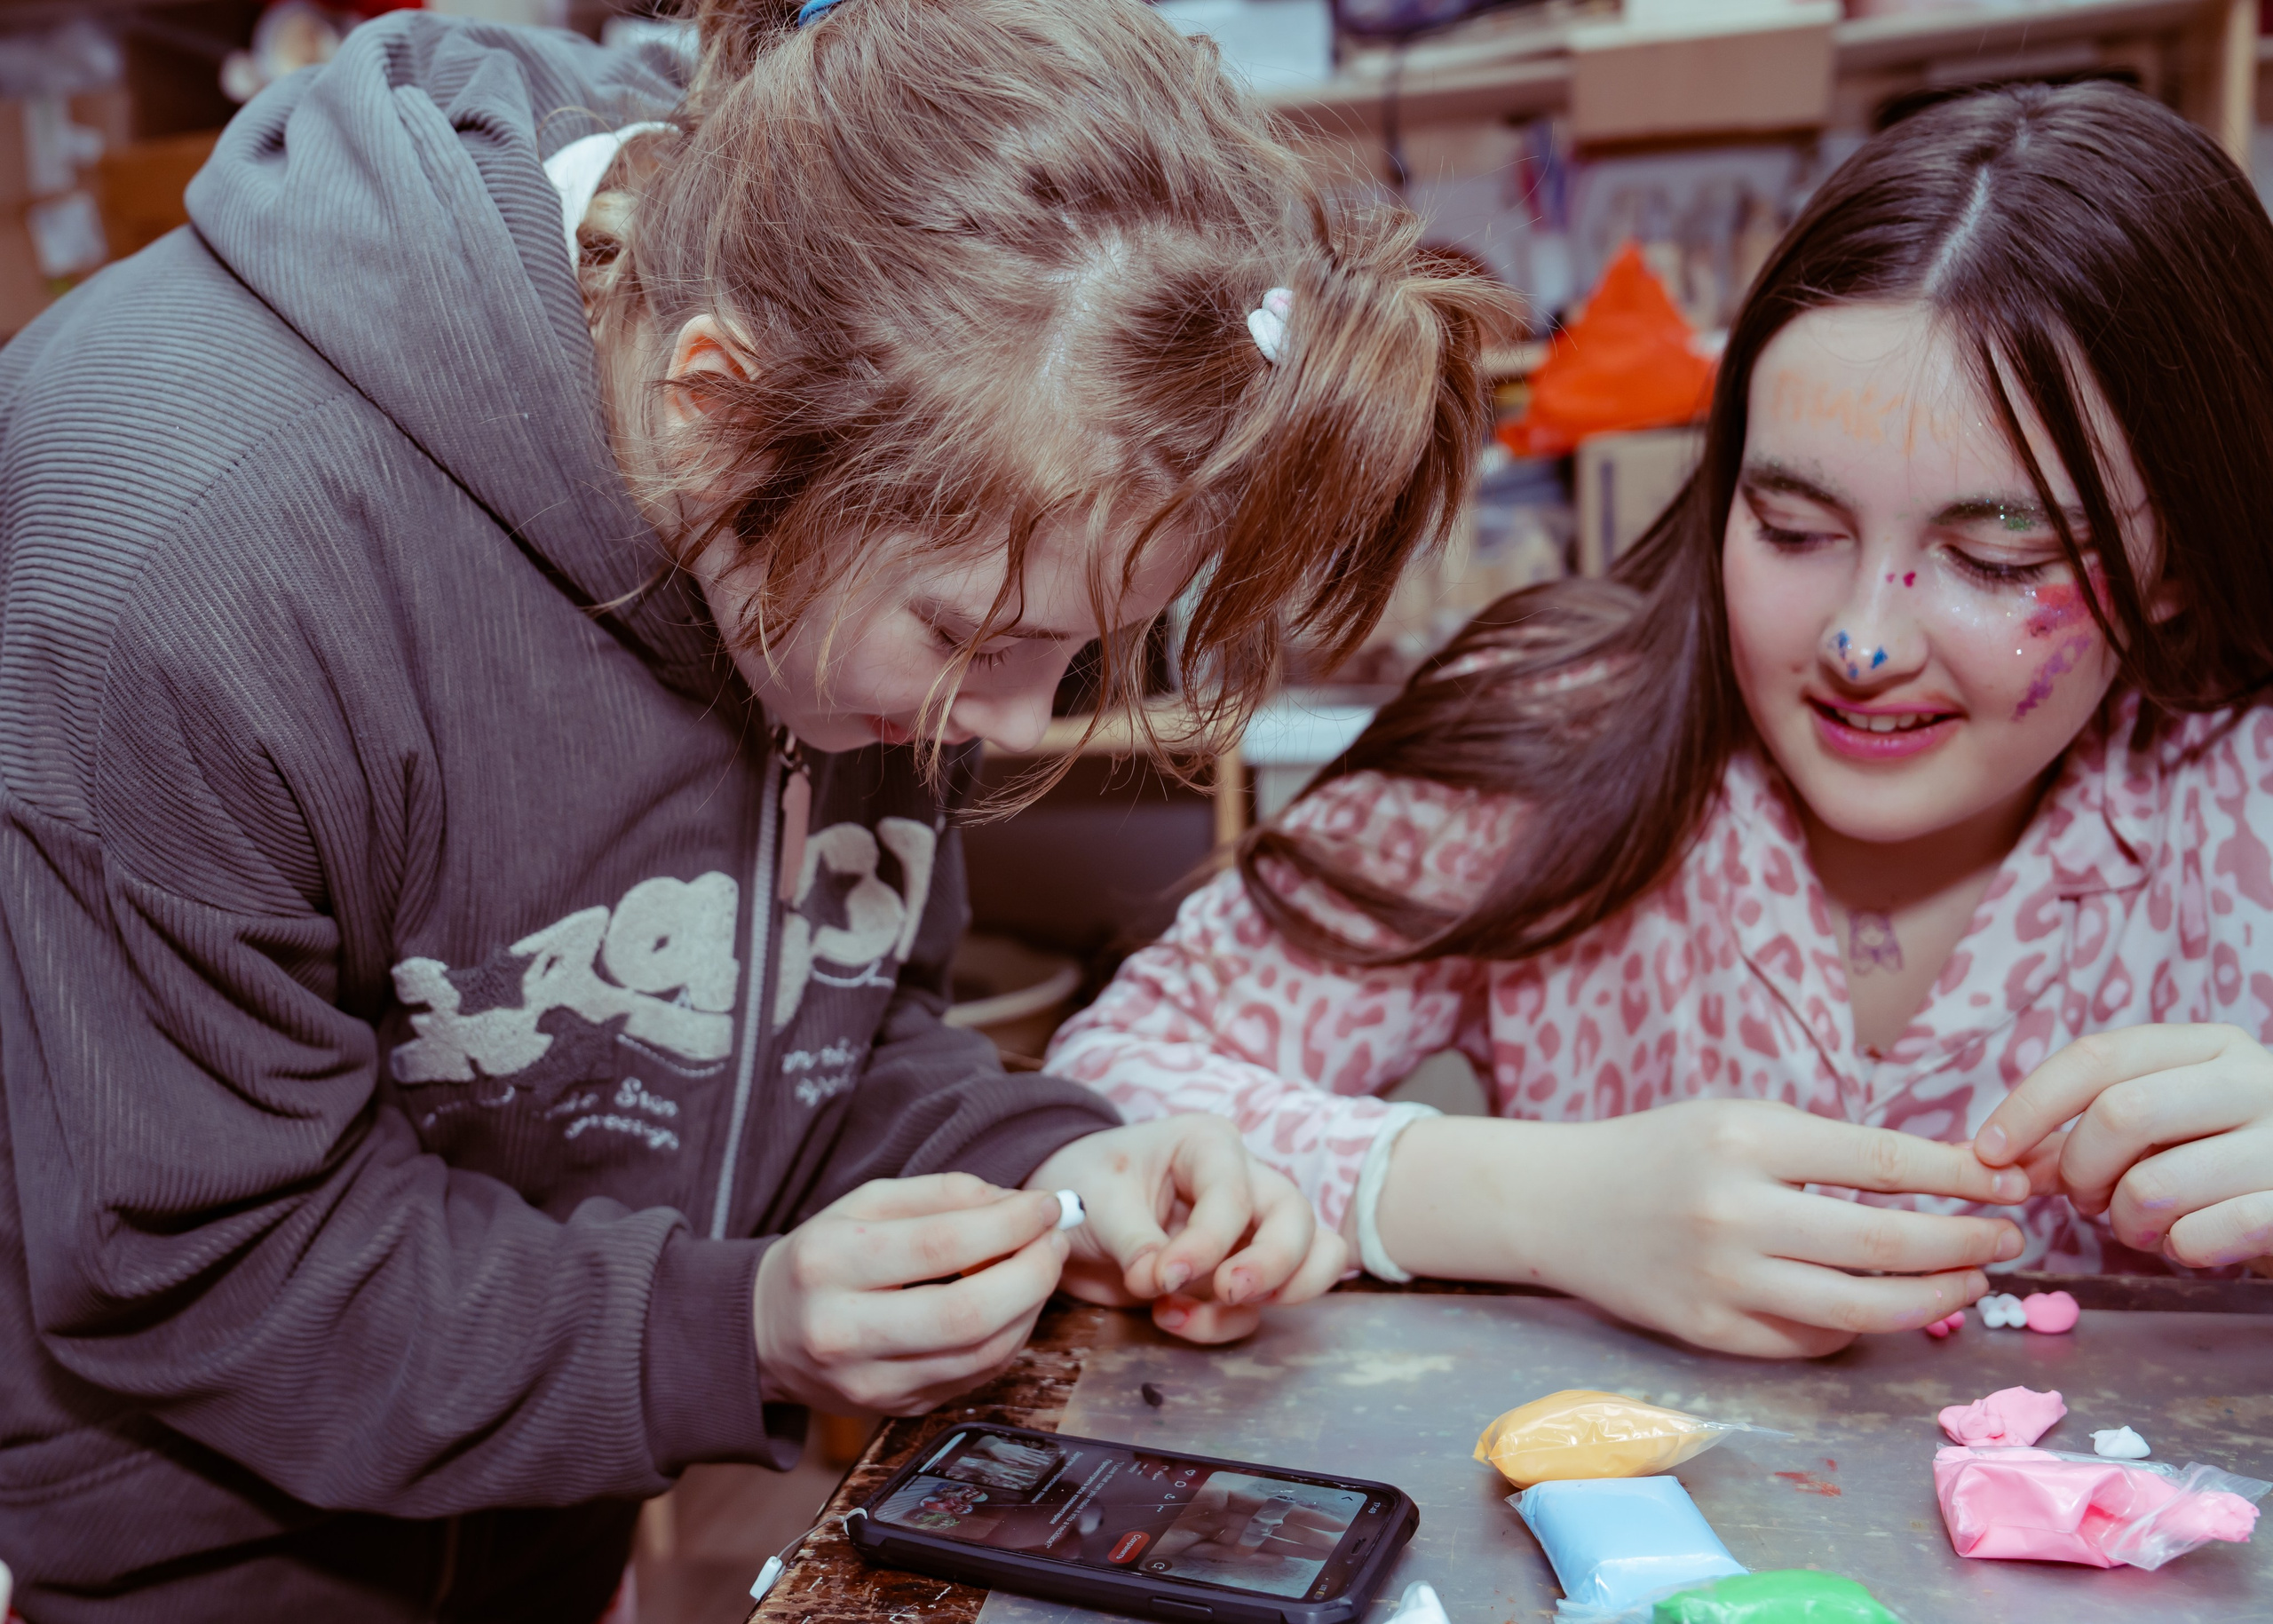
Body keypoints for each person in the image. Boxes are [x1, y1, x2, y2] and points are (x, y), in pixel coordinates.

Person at [0, 1, 1506, 1617]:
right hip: (203, 1531)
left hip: (540, 1488)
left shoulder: (883, 411)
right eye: (975, 637)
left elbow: (809, 1028)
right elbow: (207, 1261)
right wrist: (731, 1327)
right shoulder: (179, 555)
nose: (1011, 722)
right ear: (714, 408)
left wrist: (1060, 1171)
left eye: (1077, 652)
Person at [1051, 81, 2273, 1360]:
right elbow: (1111, 1083)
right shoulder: (1556, 744)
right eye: (1793, 528)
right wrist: (1543, 1205)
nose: (1863, 644)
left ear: (2178, 557)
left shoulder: (2237, 802)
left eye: (1997, 556)